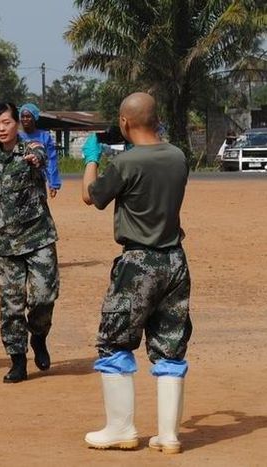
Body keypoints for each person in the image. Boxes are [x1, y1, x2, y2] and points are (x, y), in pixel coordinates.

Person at [82, 92, 192, 453]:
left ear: (125, 122)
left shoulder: (127, 163)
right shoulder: (178, 157)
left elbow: (91, 196)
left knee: (114, 341)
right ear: (156, 118)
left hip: (138, 262)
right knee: (170, 345)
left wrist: (91, 160)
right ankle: (169, 435)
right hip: (174, 260)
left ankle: (121, 428)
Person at [0, 102, 59, 384]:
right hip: (7, 243)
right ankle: (17, 360)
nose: (2, 128)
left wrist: (36, 160)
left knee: (43, 297)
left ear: (16, 124)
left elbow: (40, 155)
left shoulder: (31, 150)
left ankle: (38, 336)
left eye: (6, 122)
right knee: (11, 305)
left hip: (39, 237)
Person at [19, 103, 61, 198]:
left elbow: (51, 160)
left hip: (38, 182)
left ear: (34, 118)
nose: (25, 119)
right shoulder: (16, 137)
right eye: (23, 116)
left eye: (28, 116)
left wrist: (53, 184)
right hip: (19, 181)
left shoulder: (44, 136)